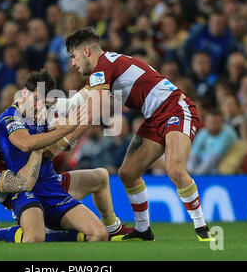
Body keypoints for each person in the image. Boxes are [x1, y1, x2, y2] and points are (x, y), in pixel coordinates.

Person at [59, 27, 212, 241]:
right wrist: (49, 107)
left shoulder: (103, 67)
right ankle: (143, 230)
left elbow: (92, 113)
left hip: (176, 109)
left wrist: (64, 140)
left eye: (73, 56)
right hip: (154, 117)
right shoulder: (103, 70)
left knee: (175, 169)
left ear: (86, 51)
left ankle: (201, 227)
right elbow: (74, 103)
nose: (72, 64)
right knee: (128, 173)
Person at [0, 113, 130, 242]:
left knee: (100, 176)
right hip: (23, 196)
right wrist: (37, 148)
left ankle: (113, 228)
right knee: (34, 238)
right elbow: (23, 183)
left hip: (46, 183)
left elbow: (37, 128)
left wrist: (61, 134)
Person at [0, 70, 108, 242]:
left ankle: (57, 236)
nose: (38, 105)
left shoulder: (43, 116)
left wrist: (65, 137)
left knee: (99, 234)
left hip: (52, 187)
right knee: (34, 239)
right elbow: (26, 144)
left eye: (42, 101)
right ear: (24, 92)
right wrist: (66, 129)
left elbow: (79, 113)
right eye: (35, 99)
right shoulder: (9, 118)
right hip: (26, 191)